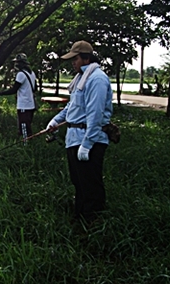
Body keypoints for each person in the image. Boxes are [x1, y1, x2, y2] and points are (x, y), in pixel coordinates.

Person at [46, 41, 113, 224]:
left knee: (91, 185)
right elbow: (72, 108)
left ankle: (94, 223)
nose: (72, 63)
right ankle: (80, 218)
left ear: (86, 58)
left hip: (89, 141)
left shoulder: (97, 79)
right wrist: (56, 121)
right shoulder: (80, 79)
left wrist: (87, 145)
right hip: (74, 139)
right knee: (79, 183)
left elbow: (95, 115)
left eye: (75, 59)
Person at [0, 53, 37, 138]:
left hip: (24, 105)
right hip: (31, 105)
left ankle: (25, 144)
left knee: (23, 127)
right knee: (28, 125)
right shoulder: (32, 73)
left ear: (22, 64)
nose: (16, 64)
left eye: (18, 62)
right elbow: (35, 88)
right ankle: (29, 143)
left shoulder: (21, 74)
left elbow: (13, 90)